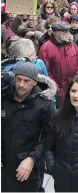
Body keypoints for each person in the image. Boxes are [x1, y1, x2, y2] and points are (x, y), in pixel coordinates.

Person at [2, 63, 56, 192]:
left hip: (26, 166)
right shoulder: (4, 98)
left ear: (35, 82)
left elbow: (49, 136)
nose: (21, 84)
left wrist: (32, 159)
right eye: (18, 79)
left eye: (26, 81)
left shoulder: (44, 105)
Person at [39, 21, 78, 107]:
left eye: (67, 31)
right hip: (57, 89)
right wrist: (56, 88)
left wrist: (77, 82)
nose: (67, 33)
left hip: (72, 86)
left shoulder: (73, 46)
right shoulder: (46, 48)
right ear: (56, 33)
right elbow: (46, 71)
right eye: (64, 31)